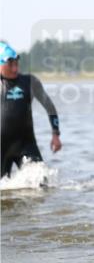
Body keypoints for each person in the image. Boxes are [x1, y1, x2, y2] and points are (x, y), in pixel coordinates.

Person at [1, 43, 62, 178]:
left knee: (42, 184)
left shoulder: (29, 82)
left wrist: (55, 134)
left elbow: (50, 107)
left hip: (26, 144)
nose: (15, 68)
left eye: (16, 63)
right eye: (10, 64)